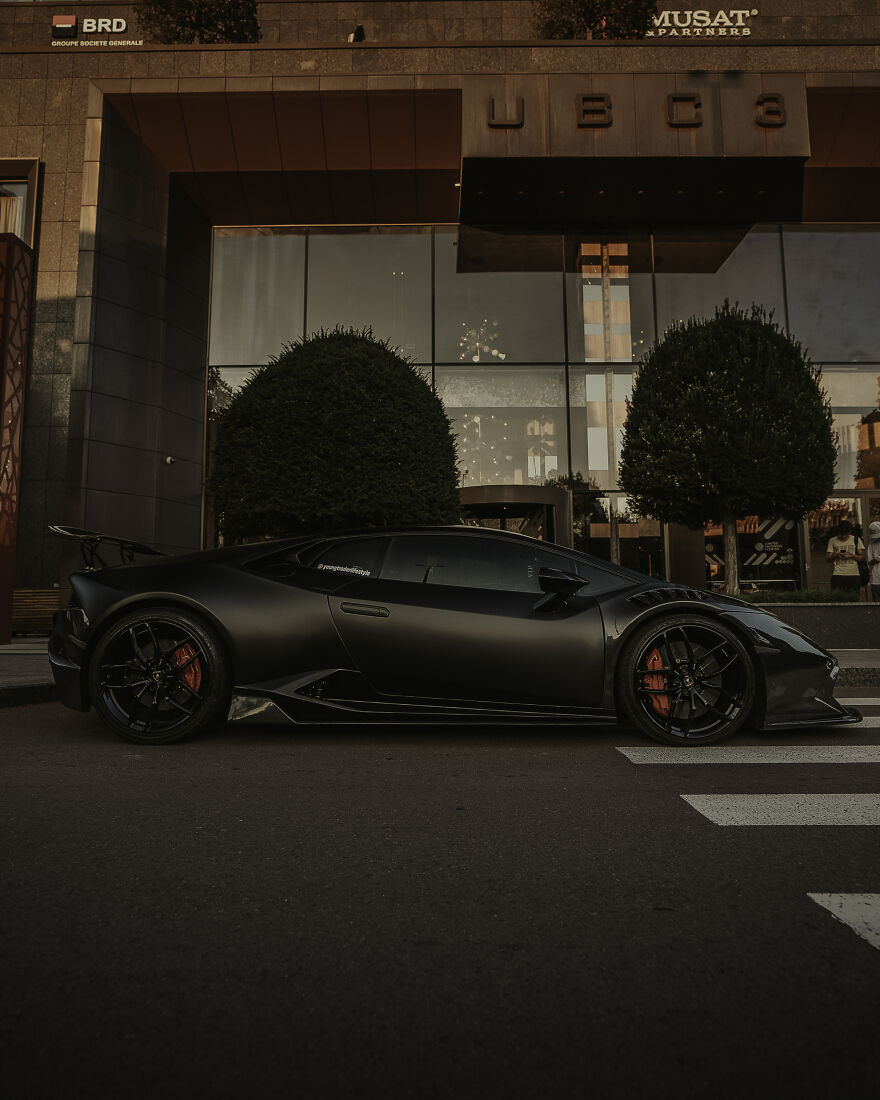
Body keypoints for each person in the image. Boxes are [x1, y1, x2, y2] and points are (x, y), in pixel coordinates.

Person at [826, 519, 866, 595]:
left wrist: (851, 555)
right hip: (837, 575)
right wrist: (836, 555)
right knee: (837, 600)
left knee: (854, 600)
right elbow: (827, 558)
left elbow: (862, 558)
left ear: (849, 532)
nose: (843, 536)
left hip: (853, 575)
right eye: (841, 533)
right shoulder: (832, 541)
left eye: (845, 534)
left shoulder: (856, 540)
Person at [866, 520, 880, 603]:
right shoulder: (872, 544)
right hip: (875, 578)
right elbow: (869, 562)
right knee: (876, 603)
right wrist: (874, 560)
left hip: (875, 578)